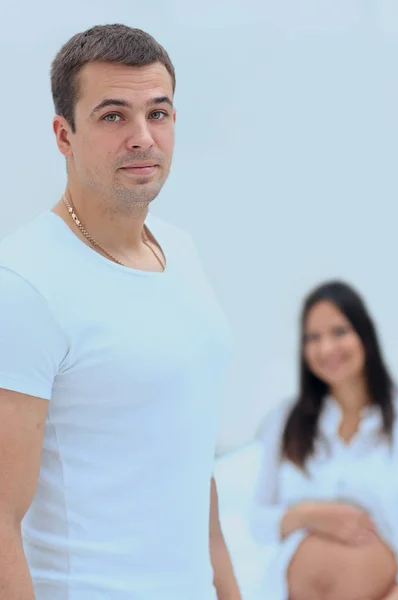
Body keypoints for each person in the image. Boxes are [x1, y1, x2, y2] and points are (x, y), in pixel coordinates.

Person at [0, 24, 241, 600]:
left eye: (158, 113)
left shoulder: (179, 250)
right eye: (113, 116)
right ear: (64, 134)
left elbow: (189, 460)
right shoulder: (24, 282)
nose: (142, 138)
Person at [250, 280, 398, 600]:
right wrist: (311, 514)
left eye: (339, 332)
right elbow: (258, 523)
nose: (326, 348)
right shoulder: (286, 421)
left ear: (365, 335)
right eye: (313, 338)